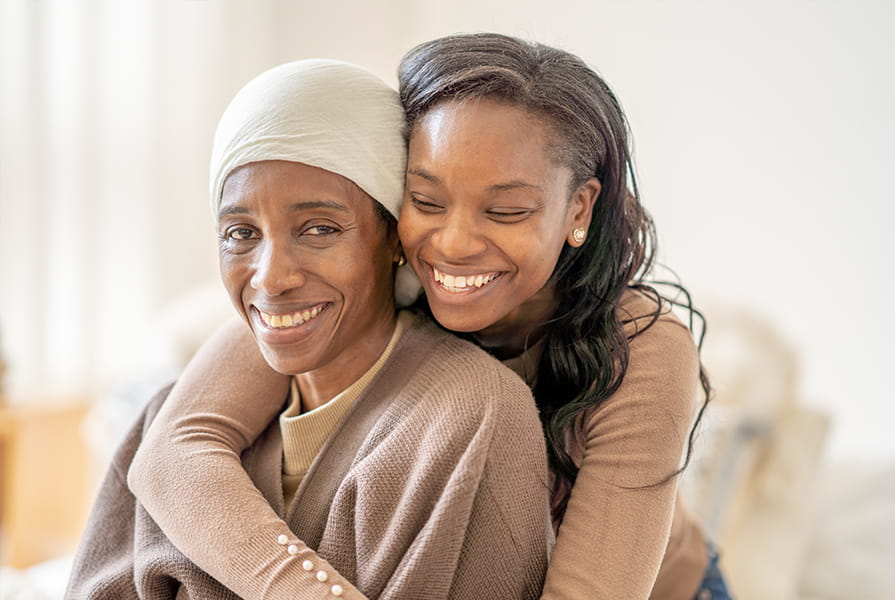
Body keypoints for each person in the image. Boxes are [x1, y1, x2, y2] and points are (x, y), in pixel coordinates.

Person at [128, 33, 732, 600]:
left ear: (579, 206)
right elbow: (175, 453)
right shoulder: (360, 280)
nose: (454, 243)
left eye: (507, 210)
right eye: (427, 201)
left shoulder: (641, 349)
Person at [65, 58, 551, 600]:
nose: (271, 276)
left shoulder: (472, 417)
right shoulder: (171, 417)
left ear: (395, 238)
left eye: (319, 229)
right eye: (240, 233)